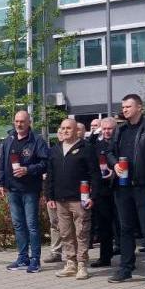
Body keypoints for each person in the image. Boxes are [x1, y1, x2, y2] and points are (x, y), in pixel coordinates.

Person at [105, 94, 145, 287]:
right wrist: (114, 165)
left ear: (139, 107)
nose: (125, 110)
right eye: (123, 107)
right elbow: (109, 152)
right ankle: (126, 268)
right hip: (123, 187)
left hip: (144, 186)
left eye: (128, 106)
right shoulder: (120, 130)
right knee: (125, 229)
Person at [0, 110, 49, 273]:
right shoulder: (9, 140)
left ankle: (35, 260)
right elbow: (1, 163)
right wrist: (0, 183)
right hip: (12, 190)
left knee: (32, 225)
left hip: (30, 190)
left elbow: (45, 164)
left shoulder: (37, 140)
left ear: (29, 123)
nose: (19, 124)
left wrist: (28, 169)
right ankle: (23, 258)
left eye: (22, 121)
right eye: (17, 121)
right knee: (18, 225)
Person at [46, 119, 99, 280]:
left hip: (80, 200)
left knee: (81, 232)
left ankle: (82, 264)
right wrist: (49, 196)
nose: (65, 130)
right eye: (62, 128)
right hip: (60, 200)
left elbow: (95, 175)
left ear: (76, 130)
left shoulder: (86, 148)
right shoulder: (55, 150)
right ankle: (70, 263)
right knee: (66, 233)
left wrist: (93, 196)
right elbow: (50, 176)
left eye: (69, 128)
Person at [91, 117, 118, 267]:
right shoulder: (97, 144)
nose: (107, 132)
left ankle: (127, 257)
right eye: (105, 129)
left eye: (110, 129)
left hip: (119, 188)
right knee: (103, 225)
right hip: (102, 190)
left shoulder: (119, 143)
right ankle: (104, 257)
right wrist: (95, 134)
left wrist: (113, 174)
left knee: (122, 225)